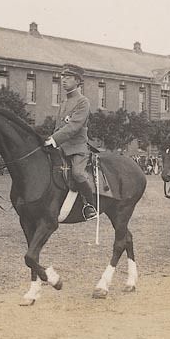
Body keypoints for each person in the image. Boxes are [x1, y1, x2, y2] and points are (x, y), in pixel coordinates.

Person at [43, 64, 97, 221]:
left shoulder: (83, 102)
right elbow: (58, 127)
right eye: (63, 77)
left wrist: (54, 139)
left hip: (77, 148)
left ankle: (90, 205)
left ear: (78, 81)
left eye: (68, 77)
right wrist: (52, 139)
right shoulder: (64, 102)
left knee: (78, 174)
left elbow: (74, 126)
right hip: (61, 147)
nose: (63, 80)